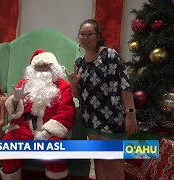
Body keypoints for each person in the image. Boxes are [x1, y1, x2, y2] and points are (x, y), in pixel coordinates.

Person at [66, 19, 137, 180]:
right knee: (98, 159)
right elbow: (78, 96)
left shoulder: (109, 55)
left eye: (90, 34)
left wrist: (130, 114)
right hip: (91, 118)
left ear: (98, 36)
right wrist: (73, 84)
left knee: (111, 160)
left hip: (112, 117)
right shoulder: (80, 63)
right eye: (82, 34)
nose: (85, 38)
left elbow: (124, 85)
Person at [0, 49, 76, 180]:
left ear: (53, 68)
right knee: (8, 144)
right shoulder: (23, 84)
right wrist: (16, 99)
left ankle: (56, 177)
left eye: (46, 66)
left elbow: (66, 112)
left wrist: (47, 132)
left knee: (55, 149)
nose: (42, 70)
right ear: (32, 69)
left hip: (50, 129)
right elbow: (13, 112)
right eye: (38, 67)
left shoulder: (64, 86)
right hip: (23, 127)